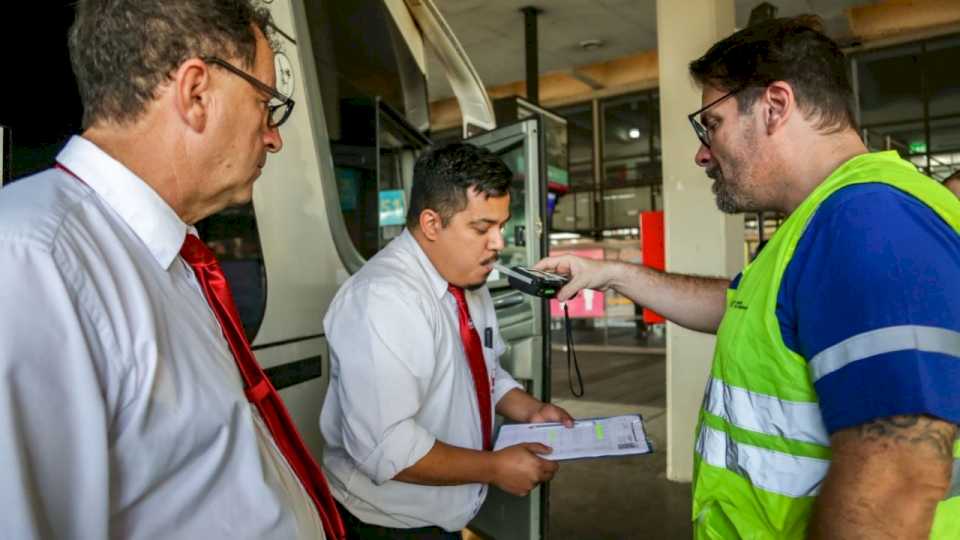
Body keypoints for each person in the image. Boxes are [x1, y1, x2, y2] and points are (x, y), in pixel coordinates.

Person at [536, 16, 960, 539]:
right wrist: (613, 274)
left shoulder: (871, 220)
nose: (701, 151)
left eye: (710, 125)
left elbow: (896, 479)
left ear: (775, 106)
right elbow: (740, 306)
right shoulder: (821, 221)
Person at [0, 1, 344, 538]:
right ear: (196, 93)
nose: (273, 136)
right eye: (265, 104)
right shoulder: (30, 261)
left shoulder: (167, 253)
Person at [321, 143, 573, 539]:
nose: (498, 244)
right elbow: (387, 448)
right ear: (432, 223)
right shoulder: (382, 299)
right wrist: (495, 467)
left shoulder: (469, 283)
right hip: (388, 525)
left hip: (445, 516)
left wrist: (531, 410)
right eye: (481, 228)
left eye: (501, 226)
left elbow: (485, 374)